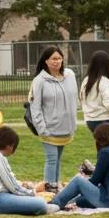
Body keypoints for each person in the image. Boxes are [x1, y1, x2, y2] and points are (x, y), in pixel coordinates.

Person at [0, 126, 56, 216]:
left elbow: (9, 182)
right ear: (11, 145)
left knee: (30, 198)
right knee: (40, 204)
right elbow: (14, 188)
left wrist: (26, 187)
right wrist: (34, 191)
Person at [29, 45, 78, 191]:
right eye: (53, 59)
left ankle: (55, 187)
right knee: (51, 159)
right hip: (48, 129)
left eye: (59, 58)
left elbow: (74, 99)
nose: (56, 62)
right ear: (46, 61)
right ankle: (49, 189)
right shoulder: (40, 80)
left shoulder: (70, 75)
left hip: (65, 128)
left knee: (57, 160)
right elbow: (35, 107)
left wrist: (73, 122)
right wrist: (42, 129)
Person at [51, 123, 109, 210]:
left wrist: (84, 181)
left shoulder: (106, 152)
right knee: (80, 201)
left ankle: (55, 203)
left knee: (78, 181)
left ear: (100, 138)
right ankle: (63, 201)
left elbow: (94, 181)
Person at [79, 50, 109, 136]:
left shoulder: (86, 80)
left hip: (90, 121)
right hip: (105, 120)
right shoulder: (104, 81)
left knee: (102, 145)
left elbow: (81, 100)